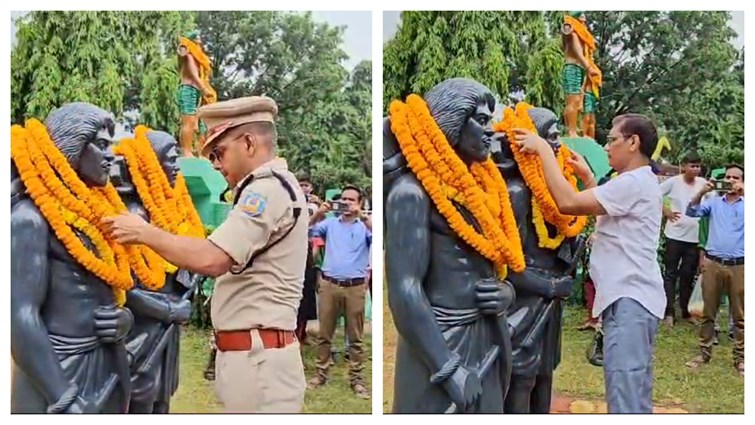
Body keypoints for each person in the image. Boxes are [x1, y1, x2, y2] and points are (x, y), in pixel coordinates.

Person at [103, 96, 308, 413]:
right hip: (252, 356)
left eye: (219, 152)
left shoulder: (266, 191)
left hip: (259, 361)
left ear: (249, 143)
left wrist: (143, 233)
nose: (214, 163)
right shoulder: (266, 188)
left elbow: (212, 259)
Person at [514, 113, 665, 413]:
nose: (606, 147)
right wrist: (588, 179)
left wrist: (543, 149)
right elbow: (604, 210)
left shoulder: (633, 183)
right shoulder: (634, 182)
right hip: (632, 299)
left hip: (630, 300)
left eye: (612, 140)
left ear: (633, 142)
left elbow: (568, 203)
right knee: (633, 390)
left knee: (625, 396)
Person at [307, 185, 372, 399]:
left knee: (355, 338)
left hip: (355, 287)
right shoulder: (330, 224)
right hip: (329, 285)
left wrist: (361, 216)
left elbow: (379, 236)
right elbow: (306, 228)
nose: (346, 203)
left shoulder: (365, 226)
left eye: (351, 200)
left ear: (360, 202)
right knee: (324, 334)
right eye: (343, 199)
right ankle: (321, 374)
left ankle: (356, 379)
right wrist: (319, 212)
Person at [684, 164, 744, 377]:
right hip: (713, 263)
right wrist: (702, 191)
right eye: (727, 177)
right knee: (709, 312)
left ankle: (741, 359)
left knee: (740, 315)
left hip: (740, 265)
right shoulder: (714, 202)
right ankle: (704, 353)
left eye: (735, 178)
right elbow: (690, 210)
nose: (730, 181)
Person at [659, 152, 707, 326]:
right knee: (670, 273)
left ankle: (686, 311)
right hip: (675, 235)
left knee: (687, 274)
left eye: (698, 166)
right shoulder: (673, 182)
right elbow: (654, 195)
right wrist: (667, 212)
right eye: (692, 166)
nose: (695, 169)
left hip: (694, 237)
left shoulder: (703, 184)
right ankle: (669, 312)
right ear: (684, 166)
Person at [177, 30, 217, 157]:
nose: (200, 39)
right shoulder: (188, 53)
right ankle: (186, 152)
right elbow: (193, 75)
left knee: (199, 124)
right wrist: (204, 89)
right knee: (188, 122)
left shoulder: (198, 57)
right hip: (188, 89)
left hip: (197, 92)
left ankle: (200, 153)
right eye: (196, 37)